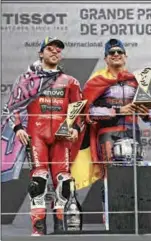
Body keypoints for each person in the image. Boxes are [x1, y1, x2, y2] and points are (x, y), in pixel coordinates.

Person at [4, 37, 82, 235]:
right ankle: (38, 229)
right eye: (50, 49)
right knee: (38, 181)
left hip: (61, 136)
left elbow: (79, 111)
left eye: (58, 49)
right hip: (36, 135)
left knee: (64, 183)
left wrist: (76, 129)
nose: (55, 52)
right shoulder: (27, 80)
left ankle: (60, 227)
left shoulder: (70, 81)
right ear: (41, 53)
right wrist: (18, 128)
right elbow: (12, 106)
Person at [81, 38, 151, 225]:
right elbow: (87, 112)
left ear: (125, 57)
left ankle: (133, 222)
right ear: (106, 59)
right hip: (108, 133)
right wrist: (117, 111)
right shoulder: (97, 81)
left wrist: (147, 113)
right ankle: (111, 223)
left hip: (133, 132)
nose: (116, 55)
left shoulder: (136, 81)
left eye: (119, 52)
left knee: (134, 178)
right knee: (111, 177)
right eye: (111, 53)